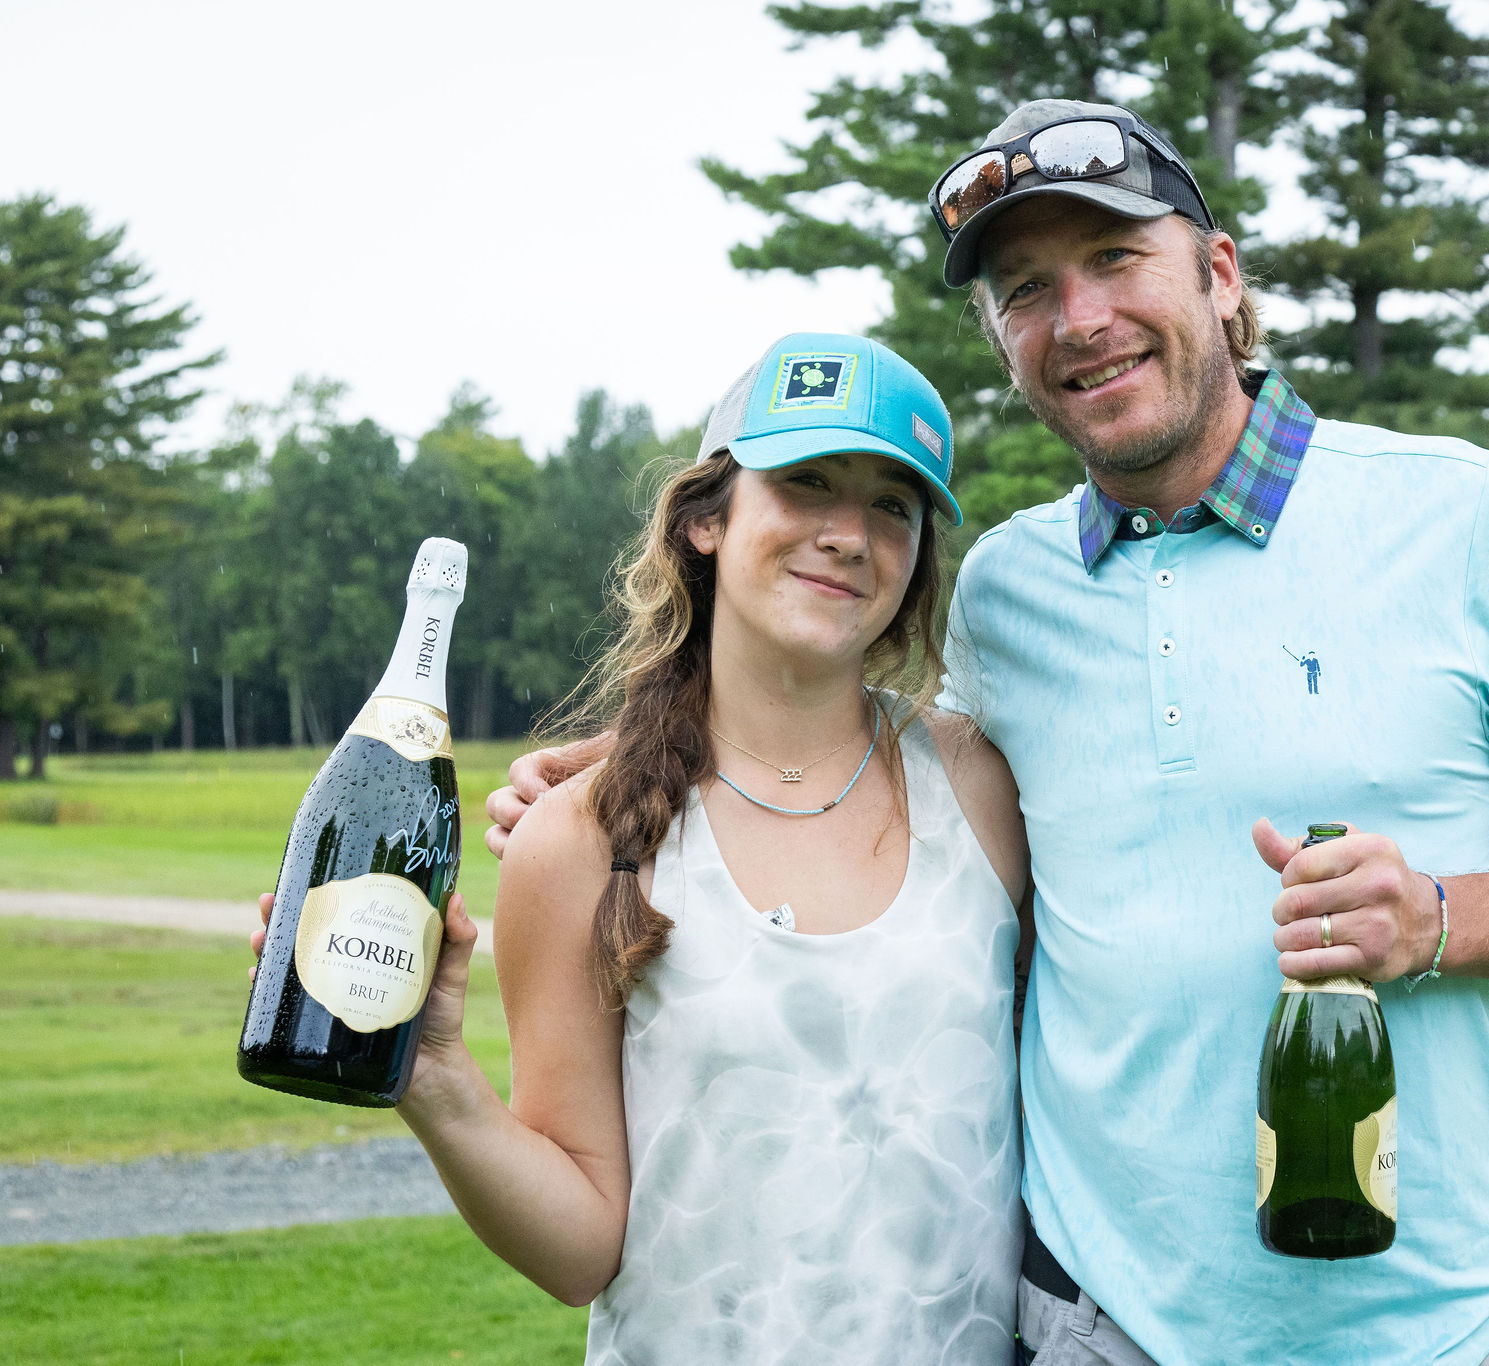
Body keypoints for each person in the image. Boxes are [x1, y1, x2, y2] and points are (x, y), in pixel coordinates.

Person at [492, 101, 1489, 1366]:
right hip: (1087, 1327)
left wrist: (1441, 918)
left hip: (1412, 1329)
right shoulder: (1009, 593)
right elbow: (851, 747)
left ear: (1219, 276)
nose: (1077, 319)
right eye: (1026, 289)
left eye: (1116, 259)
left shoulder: (1452, 513)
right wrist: (637, 767)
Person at [256, 332, 1031, 1365]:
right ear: (707, 518)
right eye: (804, 482)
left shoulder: (981, 786)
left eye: (891, 504)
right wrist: (434, 1074)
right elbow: (580, 1248)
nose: (848, 532)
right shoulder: (574, 843)